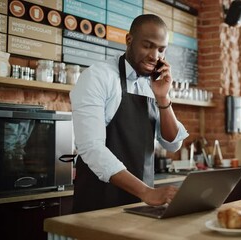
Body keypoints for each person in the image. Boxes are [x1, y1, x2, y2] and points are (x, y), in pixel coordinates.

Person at [70, 14, 189, 213]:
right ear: (129, 40)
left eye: (161, 49)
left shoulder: (154, 83)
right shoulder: (98, 77)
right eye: (148, 45)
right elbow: (91, 148)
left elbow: (172, 143)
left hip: (140, 205)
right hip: (99, 204)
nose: (155, 56)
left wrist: (163, 98)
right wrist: (146, 192)